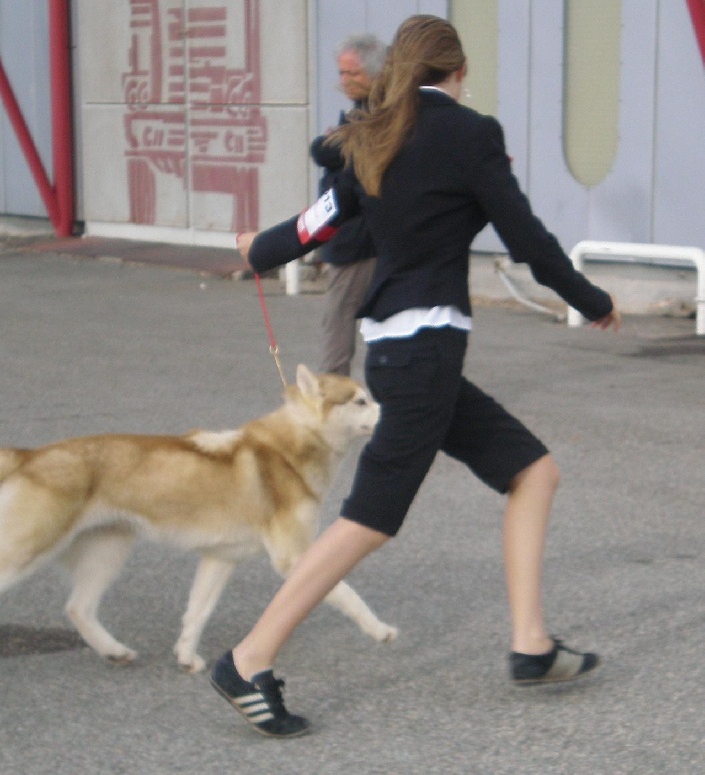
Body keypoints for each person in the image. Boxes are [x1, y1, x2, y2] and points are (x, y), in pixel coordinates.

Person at [211, 15, 621, 738]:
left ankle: (531, 645)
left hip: (401, 354)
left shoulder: (375, 136)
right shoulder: (470, 133)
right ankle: (249, 657)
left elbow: (313, 226)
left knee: (533, 471)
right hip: (425, 352)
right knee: (369, 519)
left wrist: (257, 247)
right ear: (457, 72)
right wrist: (594, 301)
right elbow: (526, 238)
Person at [309, 33, 386, 376]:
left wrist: (328, 144)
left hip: (359, 239)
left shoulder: (378, 115)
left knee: (338, 330)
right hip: (353, 235)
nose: (344, 82)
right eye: (341, 73)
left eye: (352, 74)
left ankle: (333, 404)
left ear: (376, 72)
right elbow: (327, 149)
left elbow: (327, 151)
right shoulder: (362, 112)